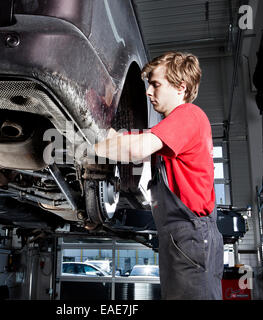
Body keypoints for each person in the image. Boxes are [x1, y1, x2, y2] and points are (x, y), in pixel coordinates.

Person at [93, 51, 224, 300]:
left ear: (180, 87)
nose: (148, 91)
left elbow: (134, 149)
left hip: (191, 235)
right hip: (181, 237)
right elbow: (125, 142)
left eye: (155, 84)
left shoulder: (188, 116)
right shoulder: (166, 130)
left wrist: (88, 145)